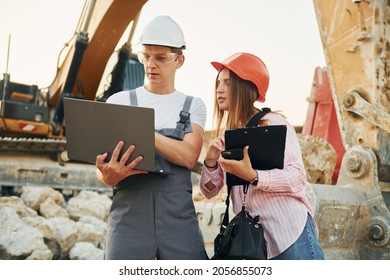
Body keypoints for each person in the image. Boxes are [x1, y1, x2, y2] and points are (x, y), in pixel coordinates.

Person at [96, 15, 208, 260]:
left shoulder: (193, 106)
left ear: (179, 60)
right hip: (128, 218)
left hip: (178, 219)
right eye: (146, 56)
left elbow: (189, 156)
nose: (151, 65)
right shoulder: (119, 102)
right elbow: (101, 165)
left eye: (160, 58)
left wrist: (141, 130)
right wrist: (106, 176)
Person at [199, 52, 324, 260]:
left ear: (245, 87)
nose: (219, 89)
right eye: (218, 83)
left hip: (290, 235)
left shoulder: (274, 123)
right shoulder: (227, 136)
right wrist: (211, 161)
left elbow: (297, 177)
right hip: (254, 244)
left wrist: (254, 176)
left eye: (227, 83)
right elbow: (209, 192)